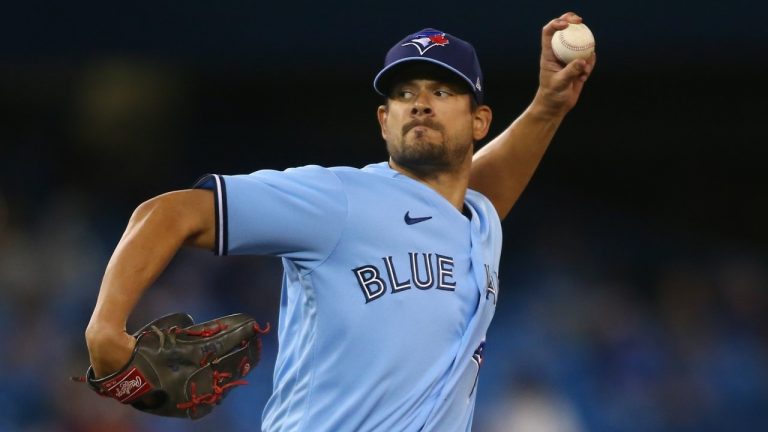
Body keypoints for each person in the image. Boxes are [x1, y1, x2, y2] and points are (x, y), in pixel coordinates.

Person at [85, 12, 595, 432]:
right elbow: (167, 213)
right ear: (383, 120)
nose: (420, 102)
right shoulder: (339, 197)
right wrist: (106, 328)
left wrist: (548, 107)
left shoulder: (477, 221)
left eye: (442, 91)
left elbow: (463, 199)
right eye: (404, 92)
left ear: (480, 122)